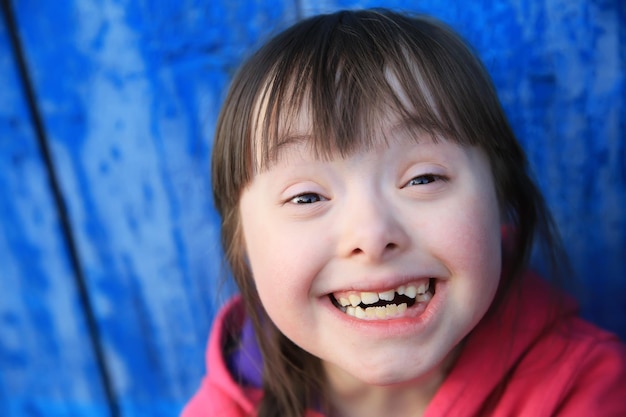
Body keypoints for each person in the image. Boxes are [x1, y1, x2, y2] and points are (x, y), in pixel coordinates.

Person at [182, 8, 626, 417]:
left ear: (500, 199)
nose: (372, 235)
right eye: (306, 198)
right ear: (242, 243)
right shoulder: (234, 399)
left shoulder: (583, 391)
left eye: (423, 179)